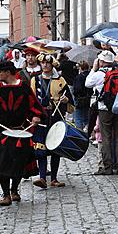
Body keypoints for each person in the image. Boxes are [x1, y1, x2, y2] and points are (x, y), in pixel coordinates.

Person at [0, 61, 45, 206]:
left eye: (0, 72)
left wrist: (36, 116)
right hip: (3, 132)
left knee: (19, 163)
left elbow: (34, 105)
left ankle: (14, 190)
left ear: (8, 72)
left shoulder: (24, 88)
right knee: (3, 164)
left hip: (22, 131)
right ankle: (6, 194)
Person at [30, 53, 73, 189]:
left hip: (55, 117)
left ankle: (53, 178)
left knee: (55, 147)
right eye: (42, 63)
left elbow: (70, 100)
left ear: (52, 64)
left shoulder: (60, 80)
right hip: (42, 117)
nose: (45, 65)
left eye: (48, 63)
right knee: (40, 147)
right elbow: (31, 99)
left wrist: (66, 101)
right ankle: (42, 177)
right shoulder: (35, 80)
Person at [85, 50, 118, 175]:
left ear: (101, 62)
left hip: (104, 109)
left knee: (106, 137)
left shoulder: (97, 75)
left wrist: (93, 69)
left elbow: (87, 84)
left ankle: (108, 167)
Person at [73, 61, 92, 132]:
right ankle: (87, 129)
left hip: (80, 98)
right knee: (86, 115)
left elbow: (77, 89)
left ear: (80, 67)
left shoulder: (79, 77)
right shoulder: (90, 75)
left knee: (78, 116)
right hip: (89, 98)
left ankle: (79, 131)